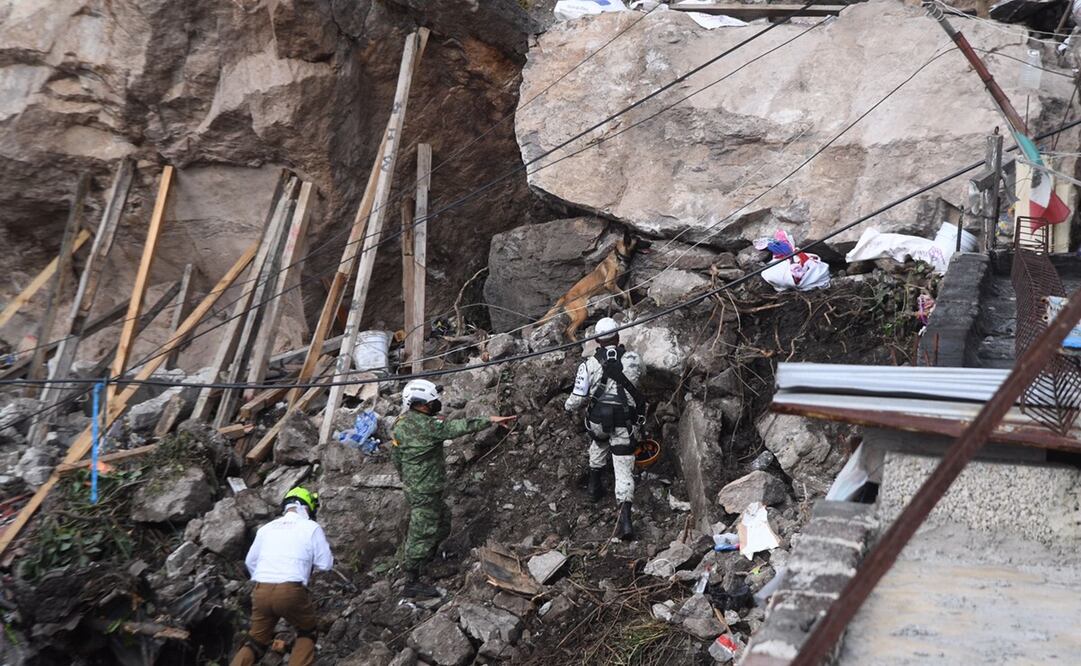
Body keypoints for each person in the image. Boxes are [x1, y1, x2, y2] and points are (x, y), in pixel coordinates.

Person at [391, 379, 516, 594]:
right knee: (422, 532)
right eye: (432, 402)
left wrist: (409, 479)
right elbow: (457, 427)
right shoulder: (426, 426)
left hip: (419, 488)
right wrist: (491, 420)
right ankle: (411, 581)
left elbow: (396, 458)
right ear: (419, 404)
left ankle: (426, 559)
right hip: (424, 491)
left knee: (442, 523)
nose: (436, 404)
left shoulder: (401, 423)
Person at [230, 486, 333, 666]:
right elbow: (325, 564)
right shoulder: (311, 527)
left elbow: (250, 562)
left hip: (261, 591)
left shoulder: (266, 528)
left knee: (256, 641)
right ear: (307, 507)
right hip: (290, 590)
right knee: (307, 631)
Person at [564, 317, 645, 540]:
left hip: (598, 422)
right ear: (618, 336)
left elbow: (577, 398)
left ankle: (594, 486)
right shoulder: (633, 359)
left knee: (598, 442)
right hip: (623, 422)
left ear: (597, 340)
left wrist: (567, 406)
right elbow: (641, 378)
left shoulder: (588, 364)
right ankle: (626, 520)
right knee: (623, 464)